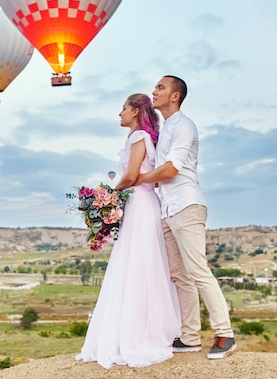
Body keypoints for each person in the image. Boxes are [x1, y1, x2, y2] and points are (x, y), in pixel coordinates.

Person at [75, 94, 181, 369]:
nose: (118, 113)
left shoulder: (137, 138)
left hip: (139, 202)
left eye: (123, 108)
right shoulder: (146, 138)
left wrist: (109, 193)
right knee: (144, 264)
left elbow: (132, 175)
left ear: (135, 111)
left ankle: (135, 334)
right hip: (145, 203)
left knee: (135, 265)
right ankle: (147, 329)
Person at [135, 75, 236, 359]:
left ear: (175, 96)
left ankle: (225, 334)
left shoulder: (184, 126)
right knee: (180, 276)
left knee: (198, 271)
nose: (153, 91)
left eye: (160, 87)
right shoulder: (165, 129)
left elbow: (170, 170)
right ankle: (190, 337)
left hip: (186, 205)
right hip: (167, 209)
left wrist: (137, 180)